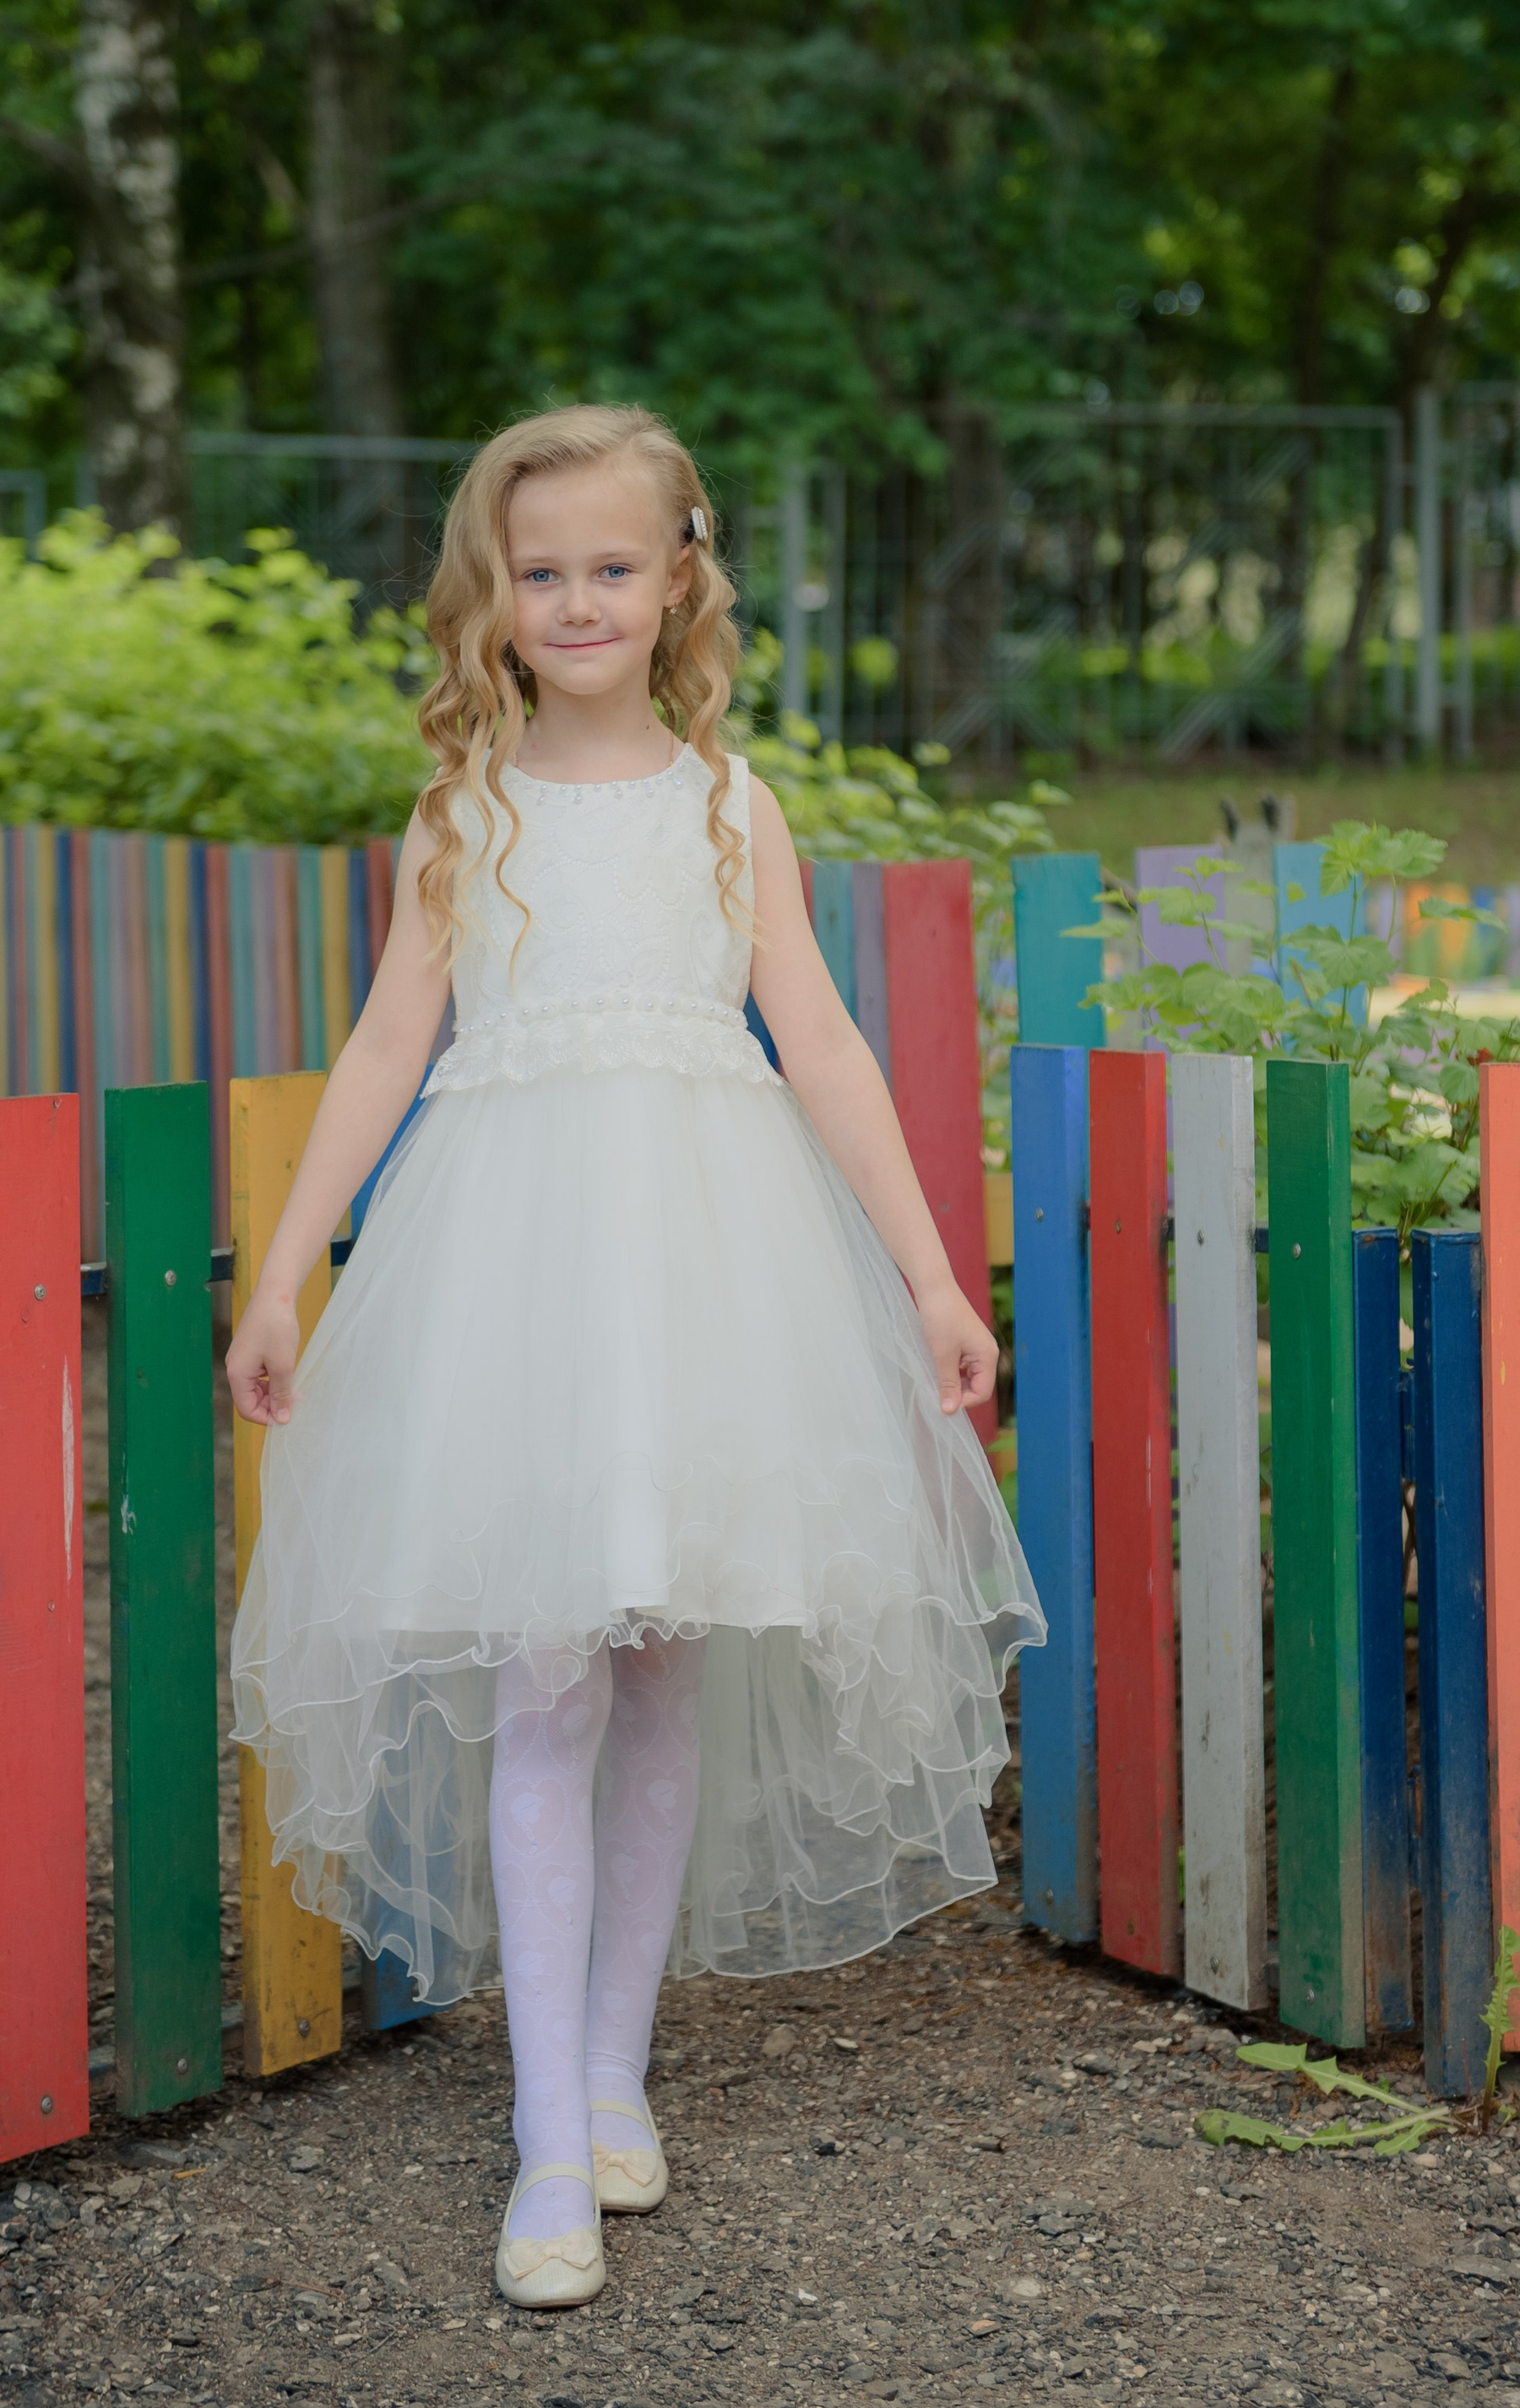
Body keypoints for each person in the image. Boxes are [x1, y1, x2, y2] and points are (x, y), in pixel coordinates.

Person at [227, 402, 1042, 2312]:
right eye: (539, 571)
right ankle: (538, 2143)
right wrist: (286, 1274)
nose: (576, 600)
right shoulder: (465, 809)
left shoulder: (725, 801)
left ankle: (610, 2073)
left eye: (612, 565)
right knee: (544, 1675)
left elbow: (822, 1045)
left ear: (679, 574)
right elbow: (377, 1054)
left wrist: (928, 1274)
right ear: (489, 596)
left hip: (703, 1266)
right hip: (515, 1276)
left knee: (664, 1659)